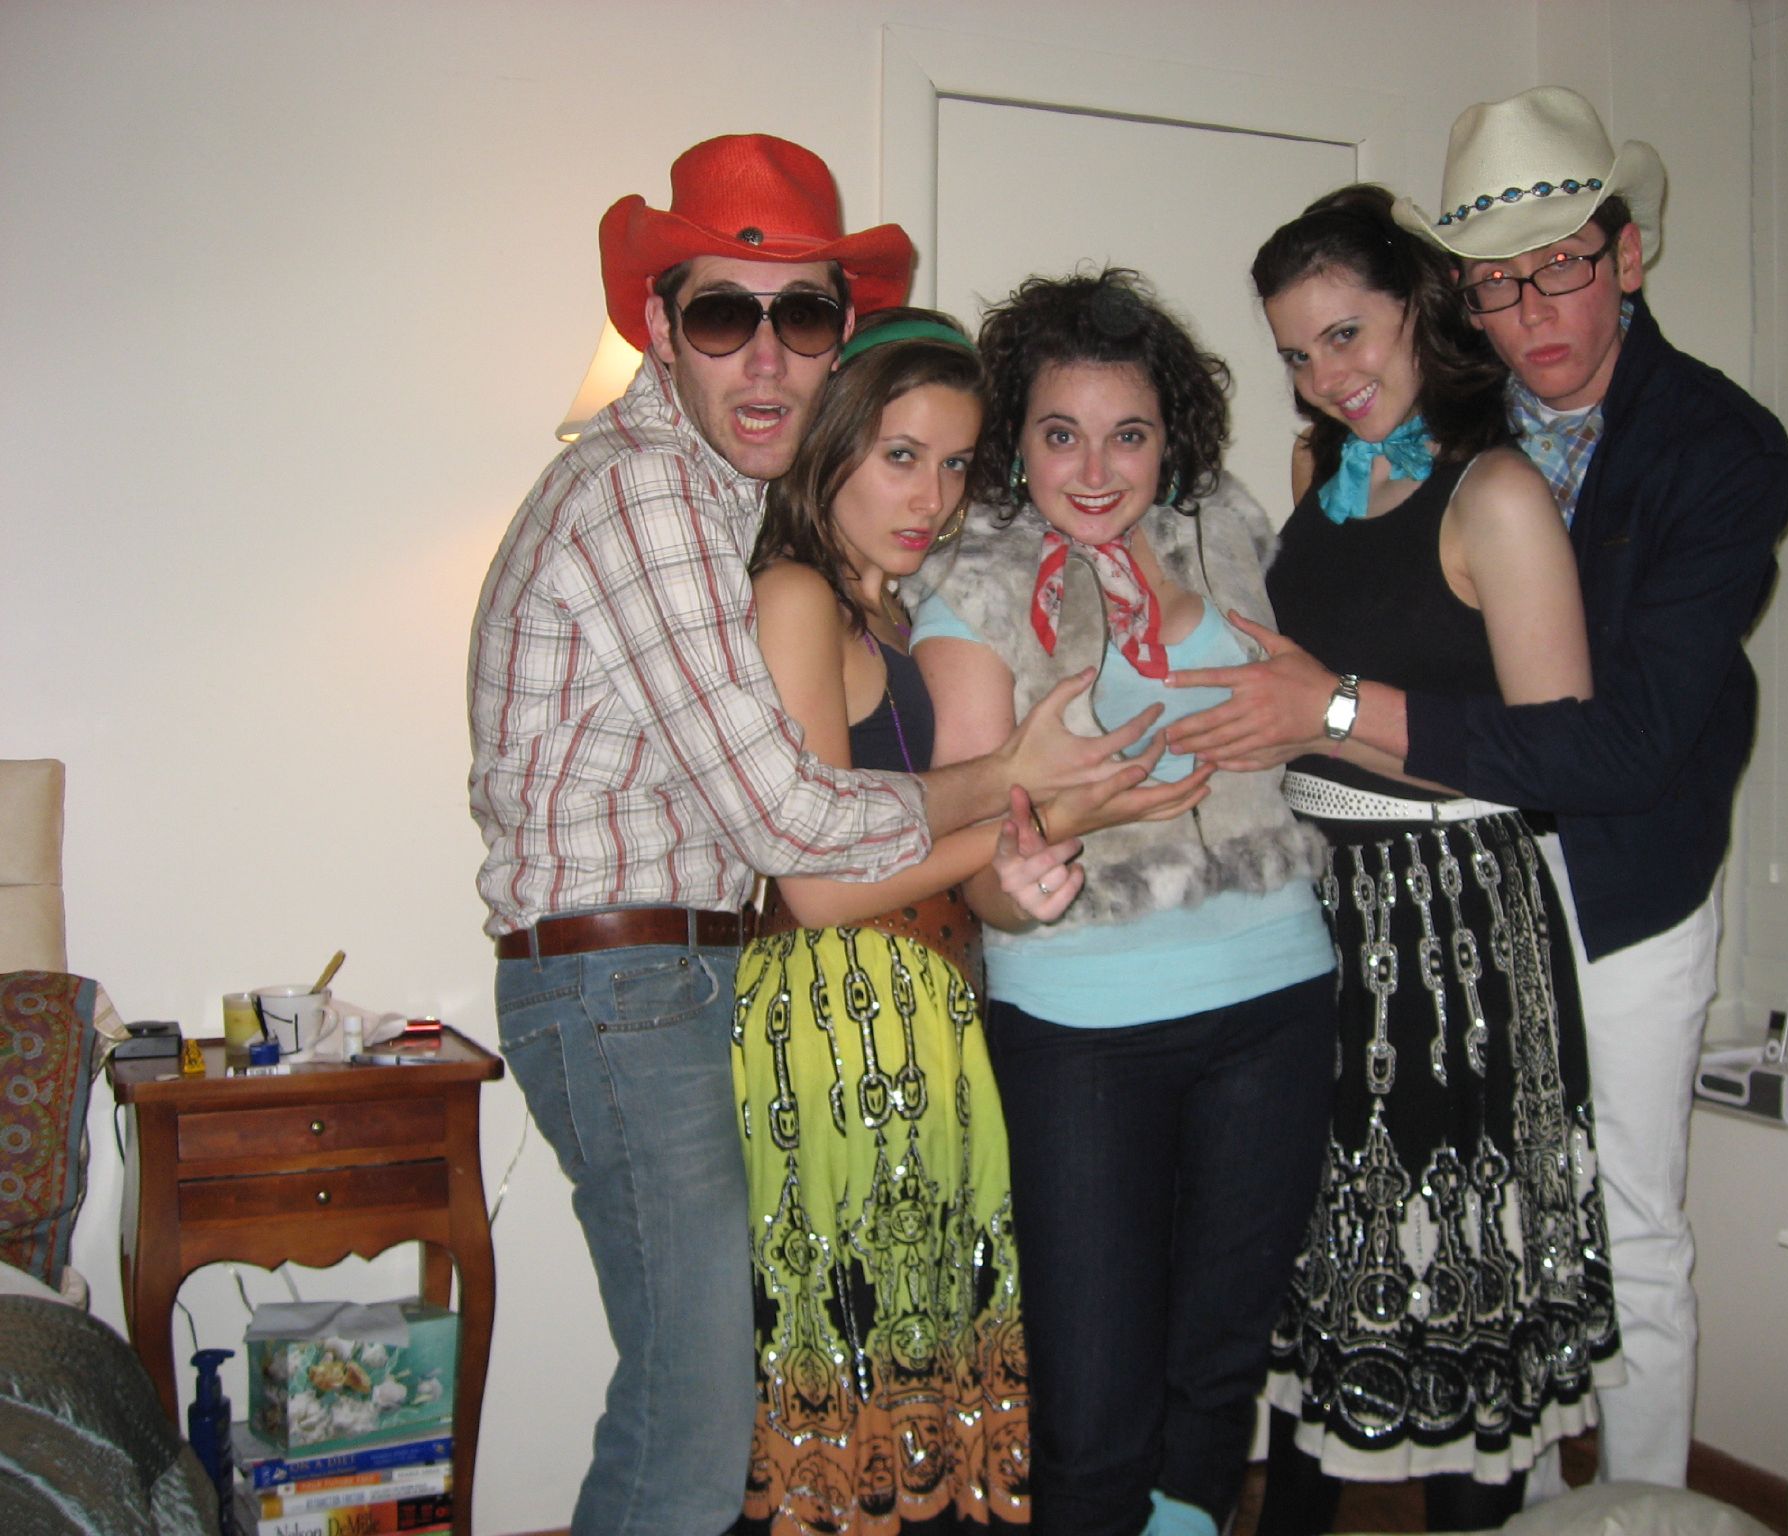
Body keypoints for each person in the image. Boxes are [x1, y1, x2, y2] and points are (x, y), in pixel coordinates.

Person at [467, 138, 1156, 1536]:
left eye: (801, 316)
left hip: (668, 980)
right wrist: (1013, 785)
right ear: (659, 328)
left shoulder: (730, 511)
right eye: (726, 314)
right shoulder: (643, 497)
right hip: (623, 984)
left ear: (836, 335)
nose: (766, 357)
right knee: (694, 1409)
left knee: (714, 1402)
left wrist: (1017, 805)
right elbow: (795, 825)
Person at [1177, 88, 1788, 1492]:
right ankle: (1493, 1488)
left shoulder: (1720, 448)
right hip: (1428, 895)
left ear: (1625, 254)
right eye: (1499, 282)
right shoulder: (1409, 426)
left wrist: (1330, 709)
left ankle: (1630, 1516)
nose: (1535, 311)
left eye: (1565, 263)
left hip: (1623, 873)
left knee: (1623, 1224)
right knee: (1464, 1228)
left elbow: (1618, 745)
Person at [1162, 184, 1617, 1533]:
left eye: (1349, 336)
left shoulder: (1501, 494)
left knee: (1451, 1300)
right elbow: (1288, 701)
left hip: (1458, 921)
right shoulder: (1319, 491)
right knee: (1322, 1285)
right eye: (1298, 354)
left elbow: (1555, 760)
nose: (1329, 378)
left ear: (1421, 308)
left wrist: (1331, 709)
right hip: (1325, 920)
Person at [731, 308, 1210, 1534]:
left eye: (954, 467)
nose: (931, 499)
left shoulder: (885, 614)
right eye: (900, 457)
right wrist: (1033, 790)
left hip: (925, 1016)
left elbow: (942, 849)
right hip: (837, 1024)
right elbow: (814, 886)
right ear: (832, 445)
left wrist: (1078, 808)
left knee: (915, 1400)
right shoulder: (796, 595)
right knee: (843, 1396)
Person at [909, 271, 1338, 1536]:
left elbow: (1321, 704)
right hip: (1082, 1028)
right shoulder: (974, 582)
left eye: (1129, 433)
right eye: (1059, 433)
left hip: (1276, 1000)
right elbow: (974, 833)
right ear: (1014, 440)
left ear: (1173, 438)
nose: (1095, 468)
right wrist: (1017, 886)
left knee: (1214, 1381)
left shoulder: (1235, 534)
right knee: (1093, 1414)